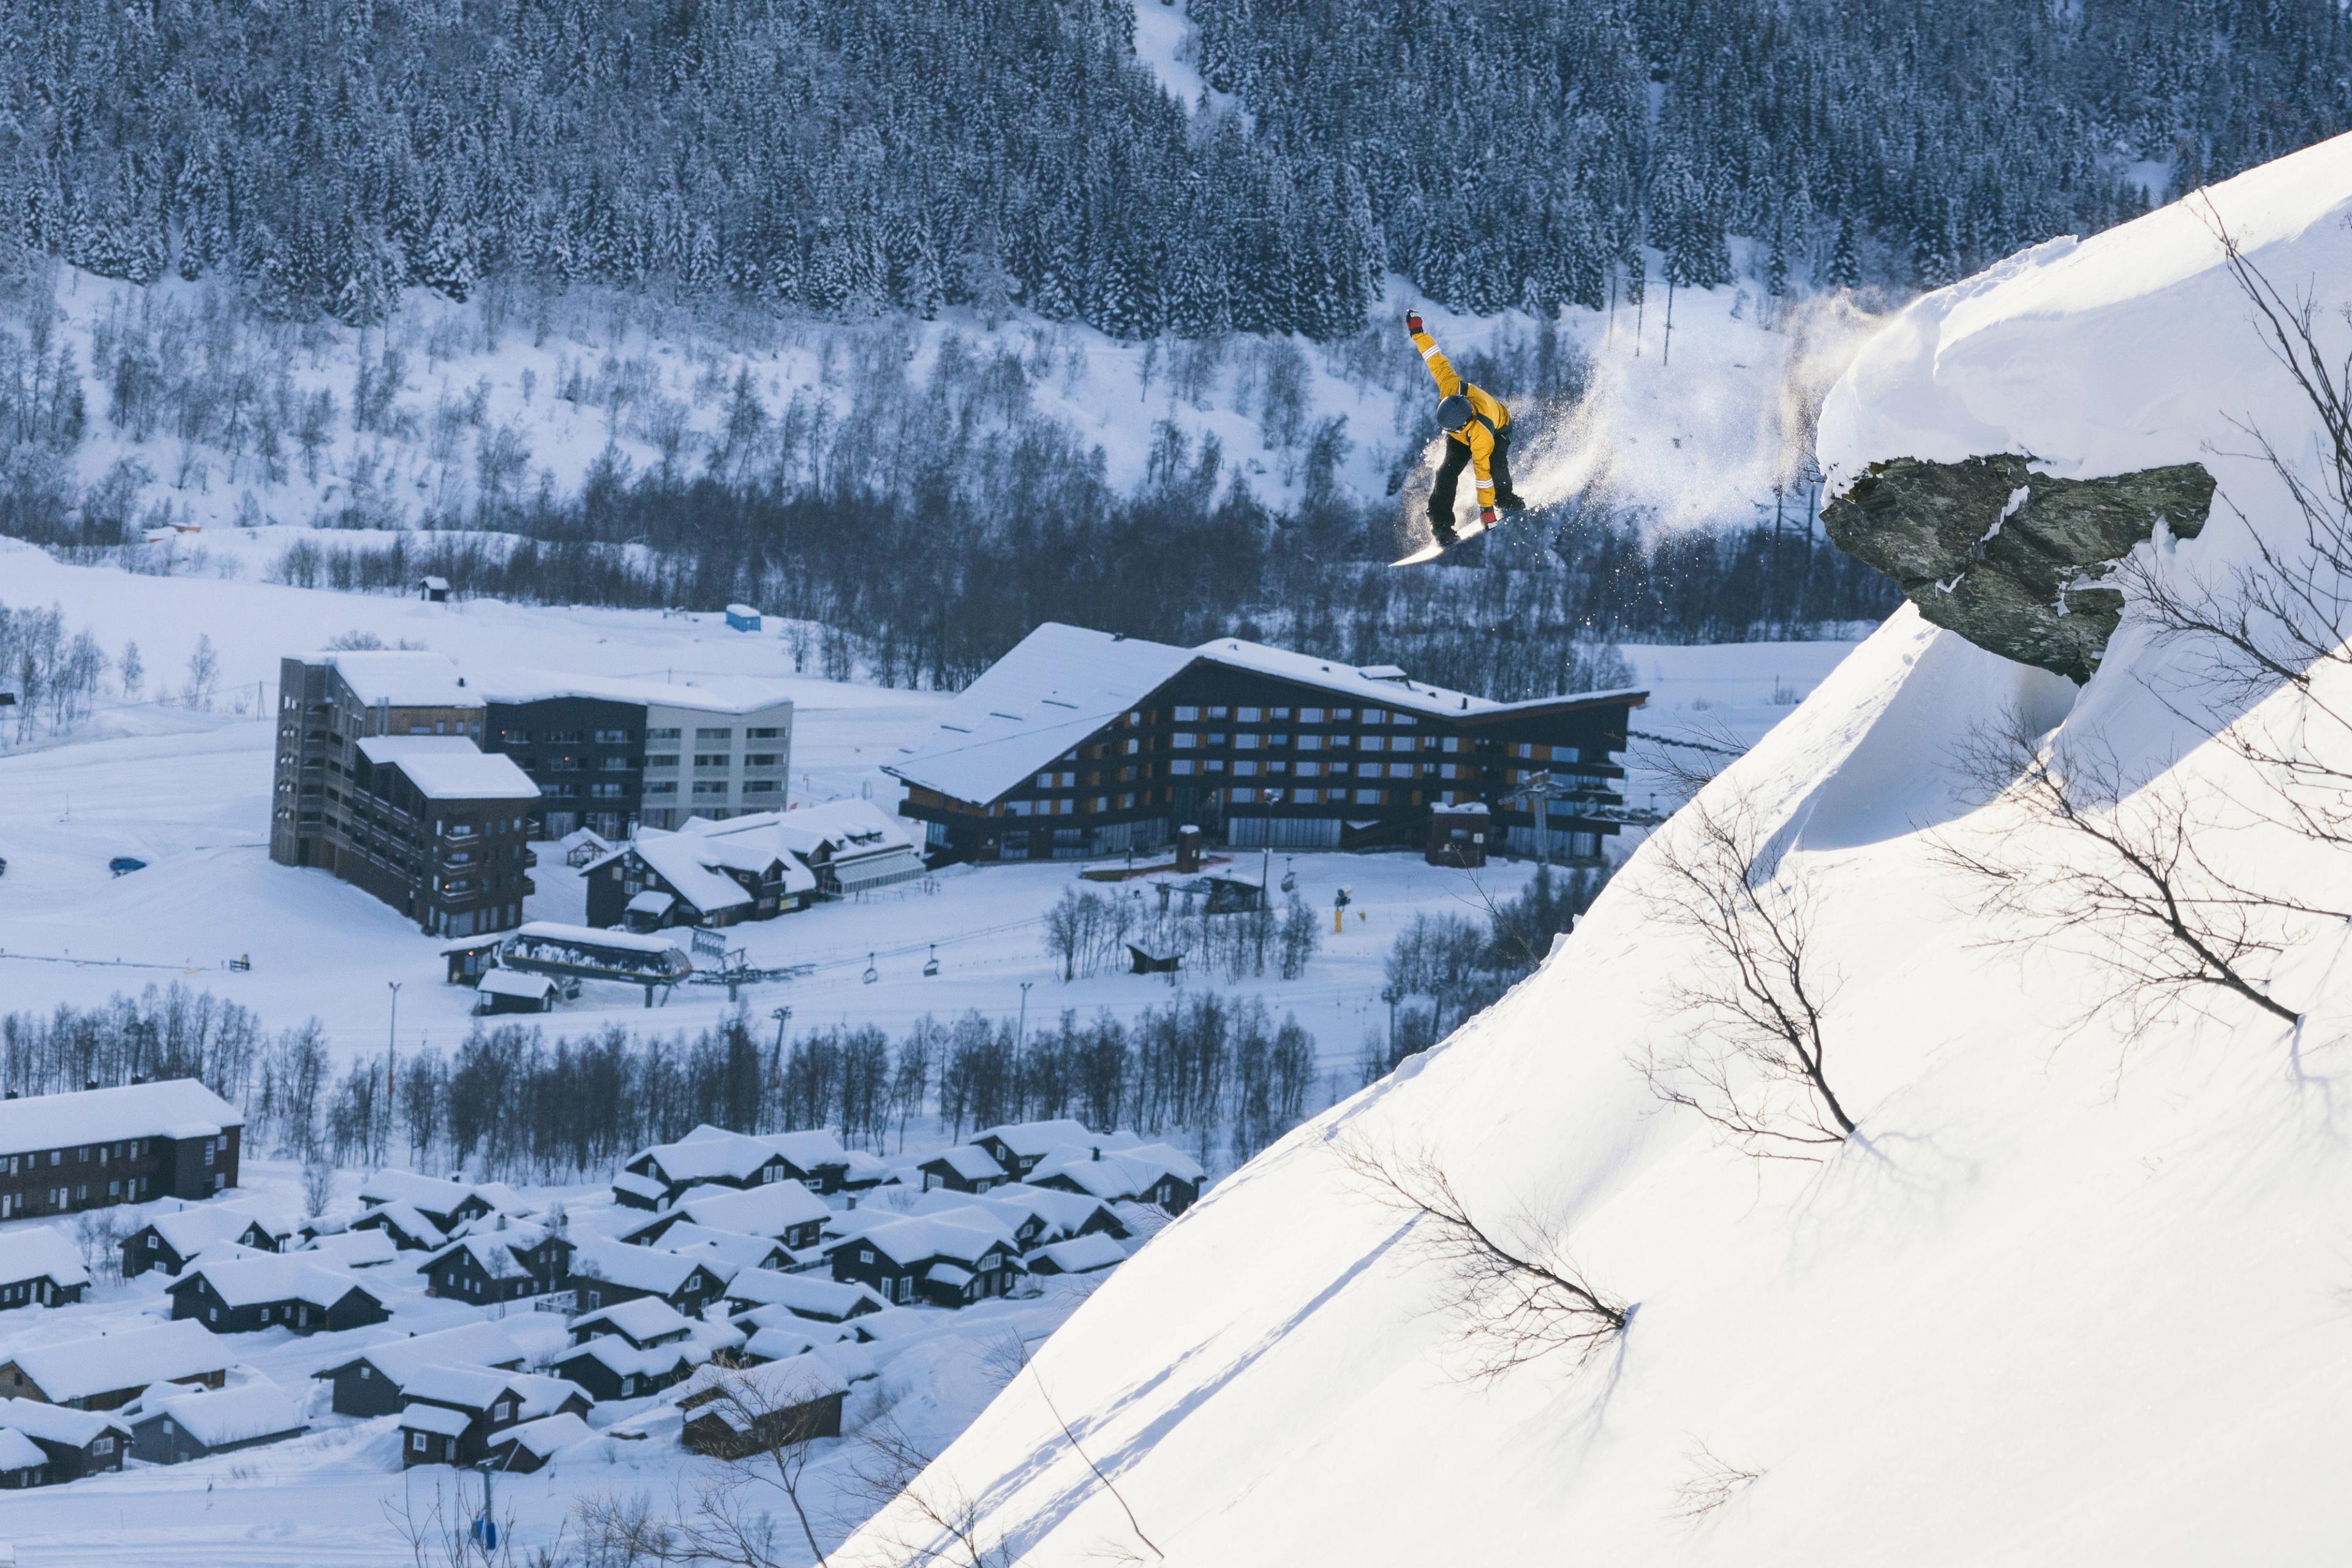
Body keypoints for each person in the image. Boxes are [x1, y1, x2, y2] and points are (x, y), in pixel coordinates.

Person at [1407, 309, 1526, 544]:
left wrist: (1487, 509)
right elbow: (1435, 358)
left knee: (1496, 464)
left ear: (1465, 422)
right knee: (1446, 473)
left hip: (1498, 428)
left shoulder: (1481, 433)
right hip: (1465, 434)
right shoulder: (1451, 388)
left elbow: (1482, 474)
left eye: (1453, 431)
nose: (1449, 435)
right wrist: (1418, 332)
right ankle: (1441, 524)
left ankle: (1506, 498)